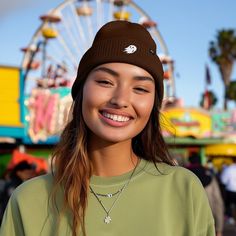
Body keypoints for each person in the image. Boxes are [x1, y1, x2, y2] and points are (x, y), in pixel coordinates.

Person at [0, 21, 215, 236]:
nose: (121, 100)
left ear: (153, 104)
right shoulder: (28, 200)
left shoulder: (184, 191)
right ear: (81, 90)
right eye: (105, 82)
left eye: (140, 88)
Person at [186, 153, 224, 236]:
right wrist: (219, 229)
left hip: (194, 196)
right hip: (209, 189)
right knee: (217, 207)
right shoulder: (207, 172)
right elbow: (218, 202)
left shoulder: (186, 172)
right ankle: (218, 231)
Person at [220, 157, 236, 225]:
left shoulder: (228, 169)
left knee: (228, 205)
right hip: (231, 190)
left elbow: (223, 180)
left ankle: (230, 218)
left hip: (230, 190)